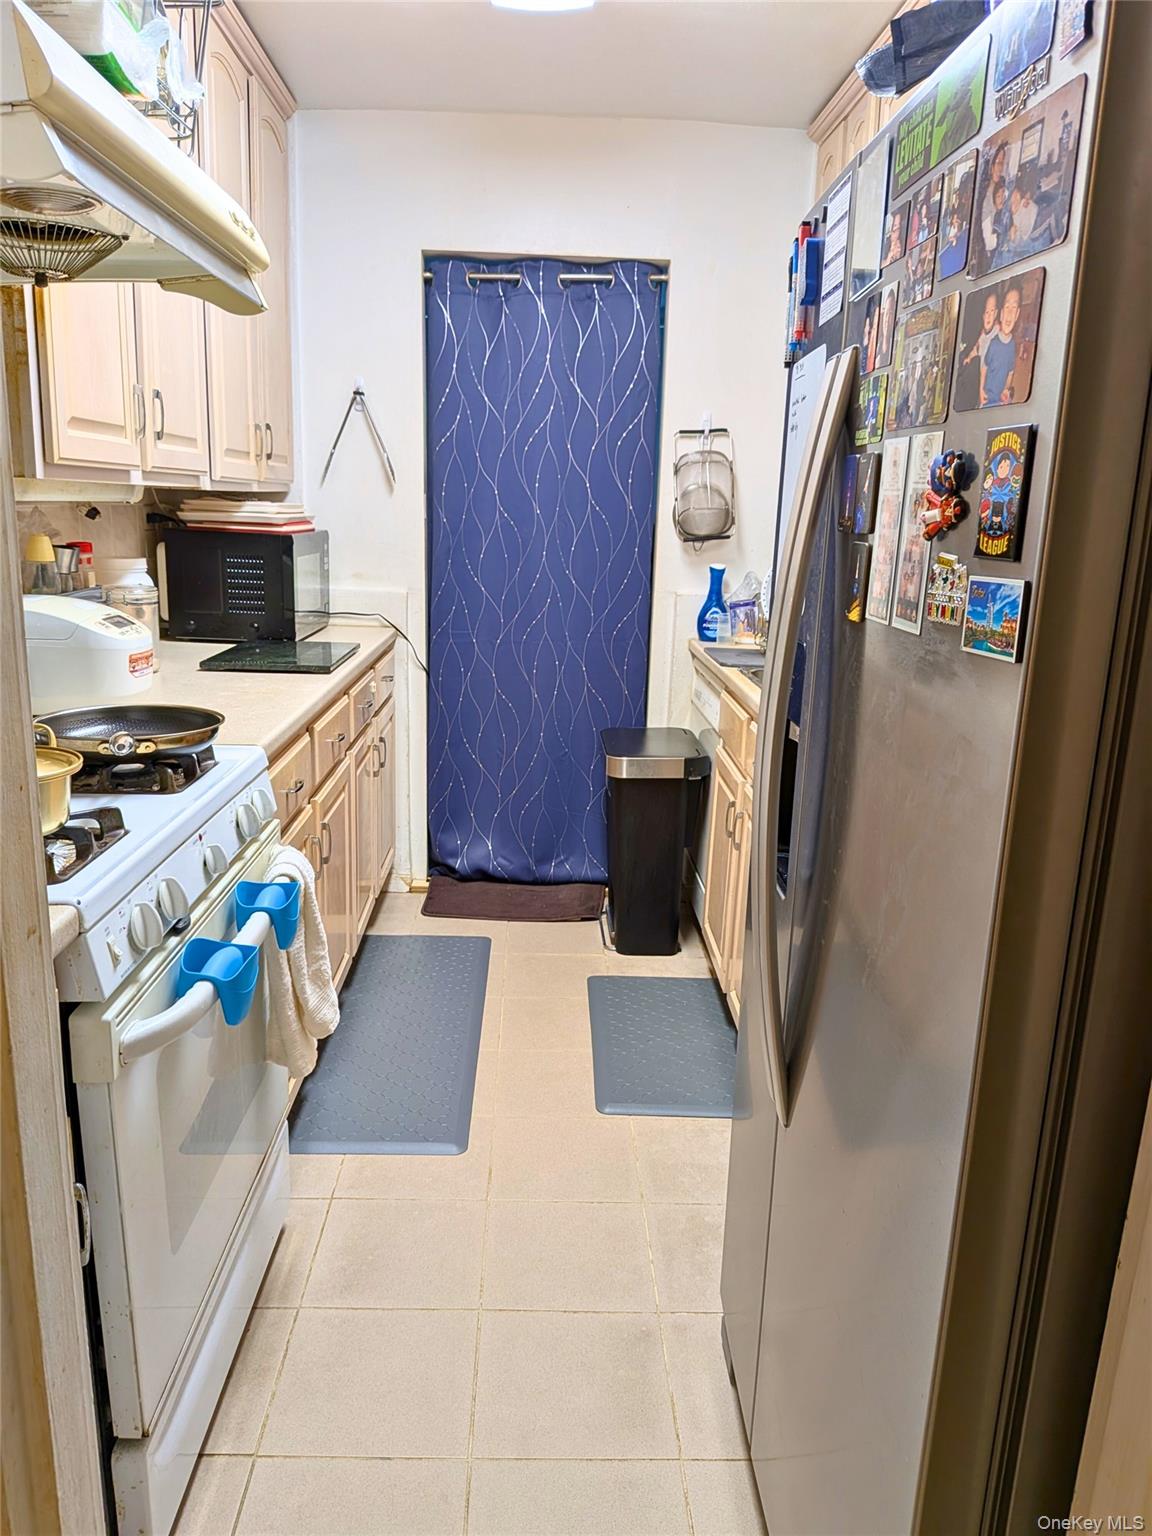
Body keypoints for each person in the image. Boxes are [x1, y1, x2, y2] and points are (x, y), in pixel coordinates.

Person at [981, 283, 1021, 406]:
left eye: (1013, 308)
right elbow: (985, 367)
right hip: (988, 398)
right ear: (1002, 314)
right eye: (1007, 307)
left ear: (1017, 314)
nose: (1009, 313)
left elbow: (1010, 372)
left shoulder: (1012, 346)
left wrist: (1006, 388)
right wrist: (981, 390)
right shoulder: (993, 343)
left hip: (1000, 401)